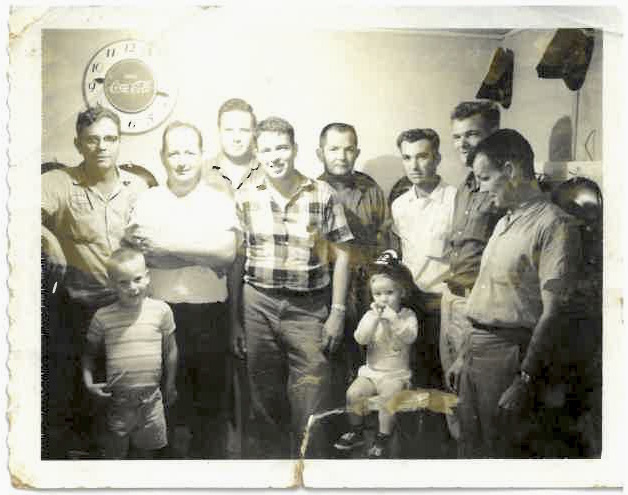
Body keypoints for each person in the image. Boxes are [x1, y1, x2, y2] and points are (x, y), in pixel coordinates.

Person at [231, 116, 353, 458]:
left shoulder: (322, 193)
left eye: (282, 147)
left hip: (309, 309)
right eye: (266, 149)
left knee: (310, 402)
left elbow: (342, 255)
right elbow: (237, 262)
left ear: (295, 149)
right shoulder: (245, 196)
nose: (275, 156)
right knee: (264, 399)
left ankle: (308, 474)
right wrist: (235, 322)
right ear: (257, 152)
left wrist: (338, 313)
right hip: (258, 306)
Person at [456, 129, 581, 458]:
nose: (480, 189)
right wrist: (463, 356)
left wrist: (525, 378)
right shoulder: (503, 222)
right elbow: (487, 295)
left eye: (485, 178)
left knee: (501, 454)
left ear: (510, 171)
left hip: (509, 356)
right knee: (470, 452)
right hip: (475, 352)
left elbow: (553, 312)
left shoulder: (555, 225)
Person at [124, 121, 237, 458]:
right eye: (174, 152)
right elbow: (145, 255)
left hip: (209, 314)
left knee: (208, 410)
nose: (182, 160)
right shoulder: (149, 200)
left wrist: (166, 248)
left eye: (190, 151)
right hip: (158, 314)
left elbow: (226, 254)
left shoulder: (219, 199)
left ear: (202, 155)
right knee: (162, 407)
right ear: (162, 156)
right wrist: (202, 253)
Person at [41, 106, 148, 455]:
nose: (102, 146)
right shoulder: (57, 182)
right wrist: (49, 239)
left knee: (126, 400)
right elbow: (13, 208)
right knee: (76, 397)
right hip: (78, 310)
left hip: (128, 310)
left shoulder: (138, 187)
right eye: (92, 140)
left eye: (110, 138)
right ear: (78, 144)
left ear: (119, 142)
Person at [438, 102, 503, 442]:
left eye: (472, 134)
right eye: (457, 136)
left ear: (494, 135)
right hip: (451, 299)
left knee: (472, 399)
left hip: (477, 306)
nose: (462, 143)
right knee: (451, 392)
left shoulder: (500, 188)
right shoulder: (464, 185)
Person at [317, 122, 390, 400]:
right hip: (329, 290)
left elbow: (385, 237)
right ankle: (334, 426)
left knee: (371, 359)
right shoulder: (313, 190)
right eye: (334, 149)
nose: (341, 156)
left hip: (368, 288)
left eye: (349, 149)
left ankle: (366, 432)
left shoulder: (370, 189)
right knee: (332, 358)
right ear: (319, 153)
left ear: (357, 152)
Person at [82, 248, 177, 459]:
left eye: (137, 279)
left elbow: (171, 350)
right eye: (123, 282)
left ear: (147, 277)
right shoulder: (103, 317)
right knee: (115, 455)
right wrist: (88, 383)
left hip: (152, 400)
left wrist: (170, 384)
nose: (132, 288)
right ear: (111, 283)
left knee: (146, 456)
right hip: (118, 400)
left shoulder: (161, 311)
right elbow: (88, 354)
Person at [334, 250, 418, 458]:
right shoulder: (370, 315)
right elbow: (360, 338)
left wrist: (394, 320)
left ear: (402, 292)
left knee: (388, 397)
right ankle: (357, 431)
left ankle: (383, 437)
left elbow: (409, 337)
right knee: (353, 393)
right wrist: (372, 320)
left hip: (396, 375)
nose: (383, 299)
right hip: (371, 373)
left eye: (390, 293)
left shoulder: (407, 316)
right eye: (378, 294)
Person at [390, 128, 456, 389]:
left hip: (444, 306)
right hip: (411, 305)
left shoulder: (456, 200)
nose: (414, 165)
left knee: (445, 379)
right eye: (407, 158)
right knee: (413, 379)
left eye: (422, 156)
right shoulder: (400, 205)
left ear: (437, 158)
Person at [203, 98, 264, 191]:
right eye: (229, 130)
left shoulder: (268, 172)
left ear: (254, 133)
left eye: (244, 130)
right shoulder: (200, 173)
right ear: (219, 132)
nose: (236, 138)